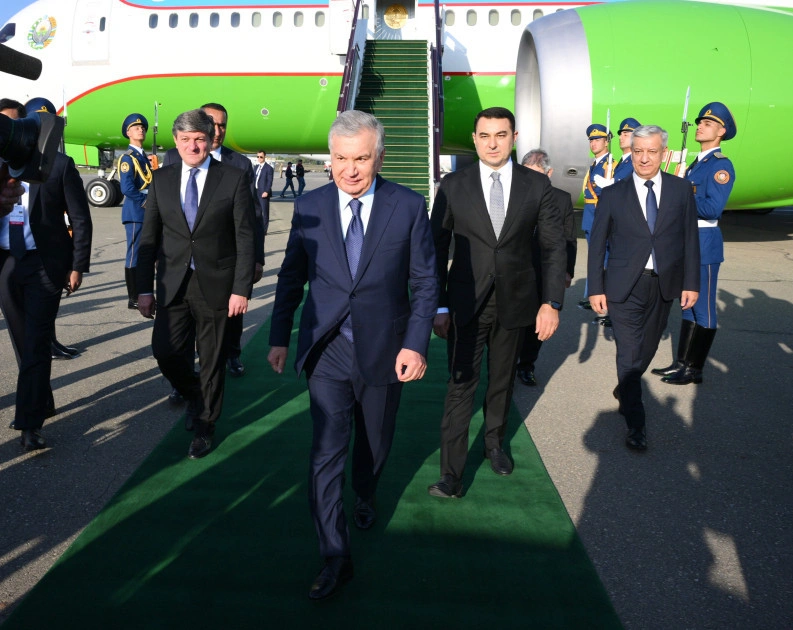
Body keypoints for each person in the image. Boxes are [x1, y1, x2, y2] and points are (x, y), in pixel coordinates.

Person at [267, 110, 438, 600]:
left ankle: (366, 490)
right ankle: (334, 555)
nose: (350, 170)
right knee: (326, 451)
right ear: (330, 158)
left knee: (375, 445)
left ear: (378, 157)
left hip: (386, 348)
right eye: (341, 159)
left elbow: (426, 282)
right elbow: (291, 276)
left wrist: (415, 343)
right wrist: (279, 336)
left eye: (361, 159)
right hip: (327, 349)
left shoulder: (407, 206)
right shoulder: (311, 205)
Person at [428, 107, 566, 498]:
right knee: (460, 385)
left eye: (501, 135)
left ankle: (494, 444)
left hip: (517, 301)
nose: (492, 144)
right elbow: (435, 248)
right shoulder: (453, 185)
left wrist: (551, 302)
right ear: (474, 139)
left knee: (501, 382)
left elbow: (553, 248)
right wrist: (439, 305)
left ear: (514, 138)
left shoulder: (536, 186)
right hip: (465, 302)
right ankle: (451, 474)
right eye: (485, 136)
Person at [136, 109, 255, 460]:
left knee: (212, 359)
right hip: (172, 282)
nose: (192, 146)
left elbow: (245, 237)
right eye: (185, 139)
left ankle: (205, 426)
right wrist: (143, 289)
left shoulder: (232, 178)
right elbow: (148, 238)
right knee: (165, 351)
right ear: (176, 141)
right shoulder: (162, 179)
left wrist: (241, 289)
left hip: (216, 284)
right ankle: (196, 395)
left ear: (210, 139)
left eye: (199, 139)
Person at [587, 125, 700, 451]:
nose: (644, 158)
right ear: (632, 152)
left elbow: (690, 240)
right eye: (638, 151)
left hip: (663, 284)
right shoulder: (613, 194)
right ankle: (636, 423)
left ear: (663, 153)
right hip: (623, 286)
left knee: (646, 349)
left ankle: (626, 387)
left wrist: (691, 283)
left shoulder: (681, 190)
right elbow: (597, 245)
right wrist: (596, 288)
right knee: (628, 351)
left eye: (651, 151)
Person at [0, 97, 92, 449]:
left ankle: (28, 423)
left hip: (44, 263)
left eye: (10, 125)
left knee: (37, 341)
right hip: (5, 263)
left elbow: (80, 218)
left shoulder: (58, 165)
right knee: (23, 341)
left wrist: (77, 265)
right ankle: (40, 400)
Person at [162, 102, 262, 388]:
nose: (217, 130)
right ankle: (187, 384)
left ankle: (232, 354)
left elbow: (252, 218)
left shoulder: (239, 164)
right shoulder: (173, 157)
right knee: (178, 336)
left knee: (230, 318)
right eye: (212, 124)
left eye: (222, 125)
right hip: (184, 264)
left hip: (224, 260)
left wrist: (257, 258)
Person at [652, 102, 736, 386]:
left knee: (704, 308)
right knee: (687, 303)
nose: (700, 126)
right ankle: (681, 362)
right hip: (686, 242)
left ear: (721, 131)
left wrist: (681, 195)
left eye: (708, 124)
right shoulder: (695, 164)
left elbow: (713, 209)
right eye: (700, 122)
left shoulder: (720, 166)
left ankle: (694, 369)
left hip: (704, 244)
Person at [515, 149, 577, 387]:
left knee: (537, 324)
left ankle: (526, 365)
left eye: (537, 174)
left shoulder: (561, 199)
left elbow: (569, 238)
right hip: (516, 270)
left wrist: (567, 270)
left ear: (549, 173)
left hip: (545, 270)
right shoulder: (511, 195)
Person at [118, 112, 152, 310]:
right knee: (134, 254)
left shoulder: (143, 157)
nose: (141, 130)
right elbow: (127, 188)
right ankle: (133, 297)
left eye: (143, 128)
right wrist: (145, 201)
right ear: (128, 133)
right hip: (135, 212)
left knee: (145, 253)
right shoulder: (127, 158)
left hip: (145, 211)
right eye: (136, 127)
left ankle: (142, 292)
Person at [579, 123, 614, 312]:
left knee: (603, 258)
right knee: (595, 258)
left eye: (598, 140)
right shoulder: (596, 164)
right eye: (591, 140)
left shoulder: (610, 165)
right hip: (590, 217)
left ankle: (603, 295)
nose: (593, 143)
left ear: (606, 142)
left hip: (599, 216)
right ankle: (592, 292)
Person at [611, 117, 641, 182]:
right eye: (620, 135)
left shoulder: (637, 161)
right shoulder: (624, 160)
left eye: (625, 135)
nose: (620, 138)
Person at [255, 150, 274, 236]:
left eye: (261, 157)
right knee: (256, 211)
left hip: (263, 193)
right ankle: (257, 228)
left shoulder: (269, 168)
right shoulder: (256, 167)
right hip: (255, 192)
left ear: (265, 157)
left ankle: (264, 230)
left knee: (265, 212)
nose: (259, 158)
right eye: (258, 157)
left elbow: (270, 181)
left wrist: (266, 191)